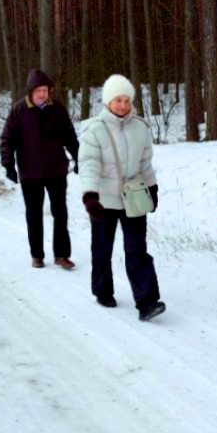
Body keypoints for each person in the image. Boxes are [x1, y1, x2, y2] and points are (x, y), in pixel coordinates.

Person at [78, 74, 165, 321]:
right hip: (104, 201)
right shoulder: (94, 129)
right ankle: (102, 290)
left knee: (137, 249)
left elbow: (145, 163)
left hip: (133, 198)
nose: (123, 105)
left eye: (127, 100)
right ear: (108, 101)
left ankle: (147, 302)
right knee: (102, 248)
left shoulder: (140, 127)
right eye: (118, 100)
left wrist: (152, 188)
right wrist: (90, 196)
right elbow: (89, 164)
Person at [0, 70, 79, 270]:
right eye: (39, 91)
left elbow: (69, 136)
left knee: (60, 212)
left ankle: (61, 255)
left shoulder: (57, 109)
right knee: (34, 215)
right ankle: (37, 255)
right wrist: (8, 164)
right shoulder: (19, 111)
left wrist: (79, 157)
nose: (43, 94)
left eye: (45, 90)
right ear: (30, 92)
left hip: (56, 170)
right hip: (30, 172)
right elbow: (7, 140)